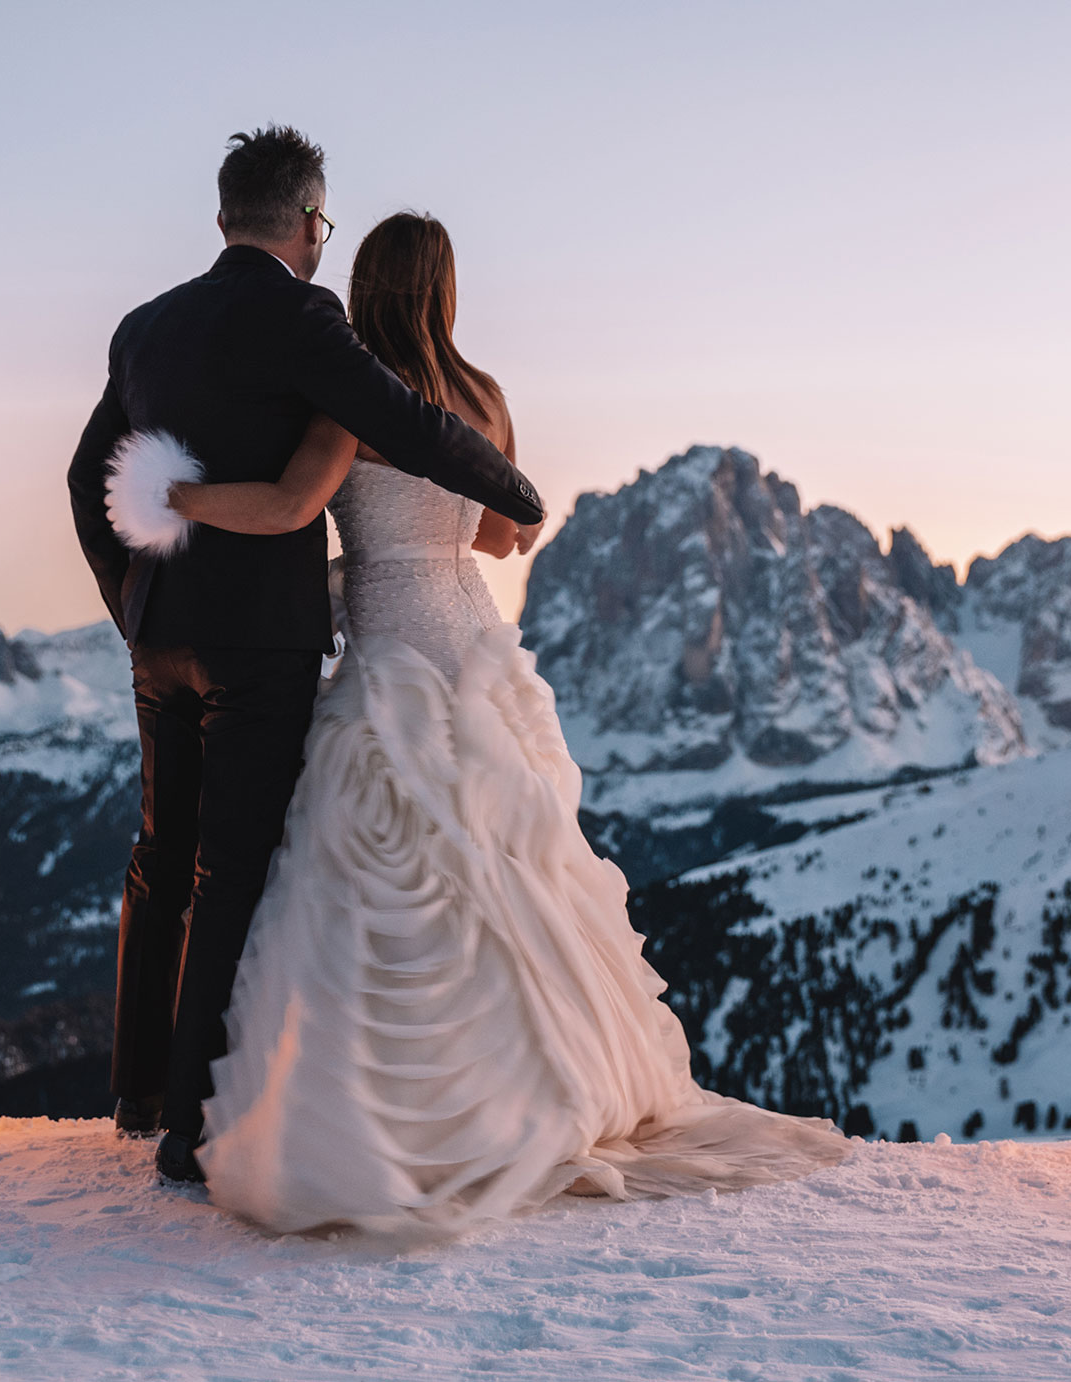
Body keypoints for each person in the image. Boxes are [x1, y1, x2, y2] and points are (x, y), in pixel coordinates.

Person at [129, 212, 848, 1237]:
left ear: (367, 287)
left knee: (389, 870)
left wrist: (181, 496)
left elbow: (291, 507)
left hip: (390, 643)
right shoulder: (485, 399)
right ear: (448, 291)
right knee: (511, 864)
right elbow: (508, 536)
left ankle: (403, 1109)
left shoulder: (353, 397)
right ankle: (555, 1085)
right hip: (471, 636)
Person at [65, 128, 545, 1184]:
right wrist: (513, 490)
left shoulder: (144, 327)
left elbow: (84, 475)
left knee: (159, 854)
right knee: (232, 869)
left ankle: (137, 1088)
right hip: (263, 643)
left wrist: (132, 601)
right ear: (309, 220)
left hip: (163, 639)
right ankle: (194, 1124)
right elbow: (407, 424)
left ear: (224, 213)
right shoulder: (305, 317)